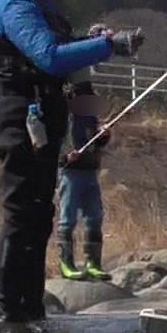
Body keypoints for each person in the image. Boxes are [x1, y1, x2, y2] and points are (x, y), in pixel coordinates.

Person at [0, 0, 143, 333]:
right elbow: (49, 56)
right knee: (22, 214)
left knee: (38, 214)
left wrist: (92, 38)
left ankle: (31, 310)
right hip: (21, 117)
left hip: (42, 115)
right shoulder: (13, 0)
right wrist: (111, 45)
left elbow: (59, 53)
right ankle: (10, 315)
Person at [57, 94, 112, 281]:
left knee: (95, 217)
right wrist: (65, 157)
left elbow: (96, 143)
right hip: (70, 174)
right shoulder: (61, 118)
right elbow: (49, 147)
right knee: (68, 219)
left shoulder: (89, 119)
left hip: (90, 172)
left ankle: (93, 263)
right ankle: (66, 263)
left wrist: (104, 136)